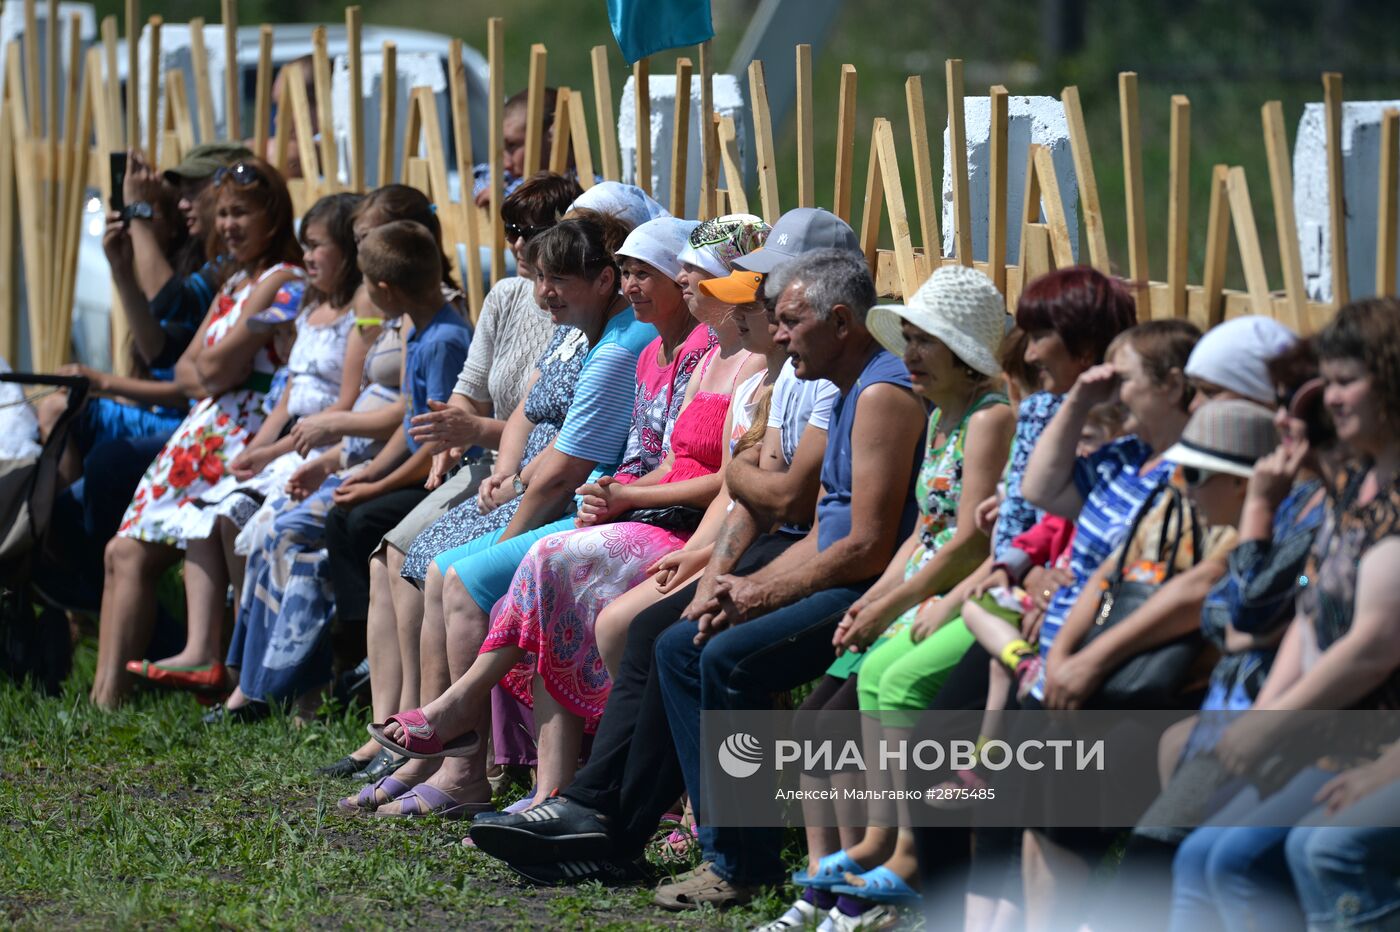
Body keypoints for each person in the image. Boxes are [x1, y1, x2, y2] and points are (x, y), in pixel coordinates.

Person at [468, 245, 927, 908]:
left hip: (866, 587)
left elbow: (858, 544)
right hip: (822, 562)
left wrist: (756, 591)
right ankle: (606, 824)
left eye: (790, 320)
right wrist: (720, 576)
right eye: (774, 316)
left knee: (716, 656)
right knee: (670, 632)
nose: (776, 331)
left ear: (842, 322)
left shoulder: (879, 391)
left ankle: (738, 862)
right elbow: (783, 503)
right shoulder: (830, 380)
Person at [366, 217, 770, 809]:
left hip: (677, 521)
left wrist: (629, 499)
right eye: (636, 272)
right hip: (644, 508)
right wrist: (612, 489)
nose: (678, 284)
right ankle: (538, 782)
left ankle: (476, 744)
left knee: (537, 563)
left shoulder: (722, 358)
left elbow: (728, 481)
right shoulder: (693, 355)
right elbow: (661, 457)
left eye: (687, 275)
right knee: (470, 564)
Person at [336, 214, 657, 818]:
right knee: (431, 565)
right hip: (559, 495)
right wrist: (512, 473)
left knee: (460, 577)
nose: (544, 292)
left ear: (604, 278)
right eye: (540, 276)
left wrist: (507, 526)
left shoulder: (619, 345)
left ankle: (463, 764)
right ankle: (442, 756)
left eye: (559, 277)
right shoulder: (586, 335)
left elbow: (565, 472)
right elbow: (526, 421)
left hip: (587, 506)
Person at [322, 172, 581, 778]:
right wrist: (451, 432)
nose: (518, 243)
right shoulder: (505, 299)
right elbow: (469, 393)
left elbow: (548, 425)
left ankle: (430, 728)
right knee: (386, 552)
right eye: (510, 229)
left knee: (419, 558)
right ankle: (392, 724)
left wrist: (471, 436)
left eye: (532, 231)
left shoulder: (568, 310)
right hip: (487, 462)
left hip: (509, 464)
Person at [1168, 298, 1400, 932]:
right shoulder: (1344, 495)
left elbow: (1259, 610)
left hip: (1336, 732)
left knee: (1225, 854)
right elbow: (1280, 602)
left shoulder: (1310, 504)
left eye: (1344, 384)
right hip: (1291, 721)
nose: (1287, 425)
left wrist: (1259, 514)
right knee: (1191, 853)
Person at [90, 158, 304, 709]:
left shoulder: (283, 279)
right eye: (224, 213)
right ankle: (101, 700)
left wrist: (207, 367)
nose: (229, 224)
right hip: (206, 427)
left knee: (170, 536)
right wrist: (206, 367)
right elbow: (188, 369)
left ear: (273, 217)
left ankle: (200, 672)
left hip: (239, 429)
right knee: (122, 551)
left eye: (243, 213)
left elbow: (213, 370)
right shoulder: (236, 281)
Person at [38, 143, 251, 612]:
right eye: (176, 194)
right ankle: (54, 549)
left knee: (108, 462)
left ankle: (84, 578)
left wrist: (137, 209)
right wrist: (120, 270)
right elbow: (159, 350)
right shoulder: (201, 257)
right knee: (59, 410)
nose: (180, 203)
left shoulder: (229, 268)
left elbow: (172, 317)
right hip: (174, 410)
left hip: (204, 422)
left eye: (192, 191)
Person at [191, 192, 368, 718]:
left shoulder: (358, 316)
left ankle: (275, 684)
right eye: (305, 245)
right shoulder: (311, 309)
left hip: (325, 447)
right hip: (292, 442)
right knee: (228, 513)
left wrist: (287, 450)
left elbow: (342, 406)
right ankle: (252, 670)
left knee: (268, 526)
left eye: (318, 246)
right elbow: (288, 397)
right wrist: (259, 451)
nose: (308, 256)